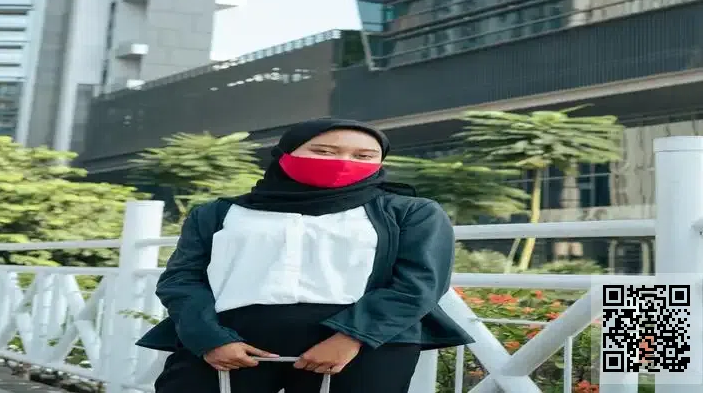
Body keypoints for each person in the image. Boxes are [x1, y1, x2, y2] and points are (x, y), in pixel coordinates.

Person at [136, 118, 473, 393]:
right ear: (284, 154)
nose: (343, 162)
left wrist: (351, 338)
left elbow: (420, 282)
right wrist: (209, 339)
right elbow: (182, 279)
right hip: (229, 343)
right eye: (323, 151)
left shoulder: (411, 212)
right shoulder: (217, 213)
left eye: (364, 156)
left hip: (363, 347)